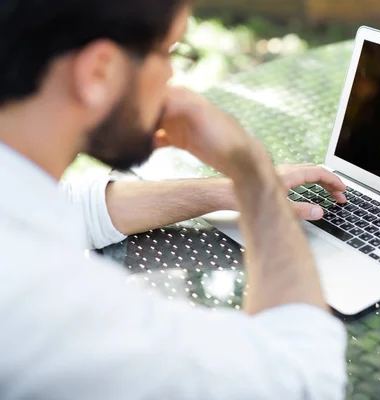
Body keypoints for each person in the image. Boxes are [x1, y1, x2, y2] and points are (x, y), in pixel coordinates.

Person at [0, 0, 348, 398]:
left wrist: (218, 191)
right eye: (167, 53)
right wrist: (254, 177)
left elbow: (61, 207)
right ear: (98, 72)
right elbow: (302, 376)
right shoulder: (53, 310)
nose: (172, 79)